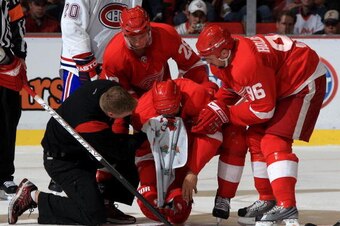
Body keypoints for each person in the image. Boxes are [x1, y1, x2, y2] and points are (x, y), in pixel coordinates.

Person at [195, 24, 326, 225]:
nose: (206, 60)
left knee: (274, 140)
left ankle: (286, 206)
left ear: (224, 51)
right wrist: (216, 105)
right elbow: (232, 87)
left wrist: (226, 114)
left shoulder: (245, 63)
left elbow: (263, 110)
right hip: (280, 83)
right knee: (255, 138)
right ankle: (267, 199)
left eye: (208, 55)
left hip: (302, 80)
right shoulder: (223, 59)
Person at [8, 80, 147, 225]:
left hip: (82, 150)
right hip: (64, 161)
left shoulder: (108, 87)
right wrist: (143, 135)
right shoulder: (89, 124)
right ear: (111, 114)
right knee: (94, 216)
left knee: (129, 161)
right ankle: (32, 196)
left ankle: (105, 204)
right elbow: (118, 150)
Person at [50, 0, 142, 195]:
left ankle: (102, 176)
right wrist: (86, 62)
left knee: (109, 123)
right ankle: (64, 170)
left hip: (114, 63)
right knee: (72, 120)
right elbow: (70, 24)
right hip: (78, 65)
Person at [131, 78, 247, 224]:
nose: (169, 118)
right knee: (148, 199)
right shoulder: (141, 113)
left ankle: (224, 197)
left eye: (172, 111)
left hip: (185, 146)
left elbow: (211, 134)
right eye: (164, 114)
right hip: (152, 150)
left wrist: (192, 172)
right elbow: (141, 148)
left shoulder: (196, 96)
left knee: (180, 210)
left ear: (180, 100)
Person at [100, 5, 210, 99]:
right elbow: (115, 97)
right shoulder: (113, 55)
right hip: (131, 99)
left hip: (165, 91)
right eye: (133, 38)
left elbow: (193, 65)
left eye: (142, 36)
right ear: (123, 33)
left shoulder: (167, 34)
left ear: (149, 29)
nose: (138, 43)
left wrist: (204, 92)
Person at [0, 0, 27, 200]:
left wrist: (19, 55)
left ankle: (4, 176)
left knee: (8, 120)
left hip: (5, 65)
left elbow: (17, 20)